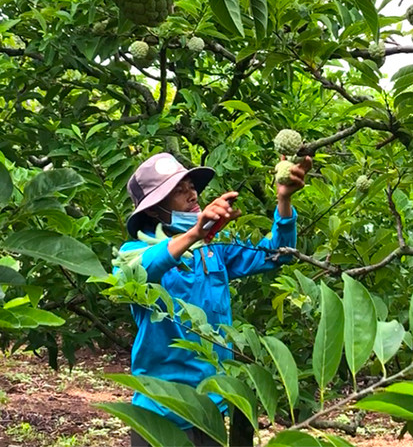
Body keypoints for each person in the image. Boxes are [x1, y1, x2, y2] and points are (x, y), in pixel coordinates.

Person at [116, 152, 312, 446]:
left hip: (211, 407)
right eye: (177, 191)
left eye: (190, 186)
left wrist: (284, 201)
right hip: (159, 409)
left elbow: (276, 254)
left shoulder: (213, 248)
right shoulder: (132, 253)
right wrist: (195, 233)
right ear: (156, 210)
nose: (191, 194)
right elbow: (137, 273)